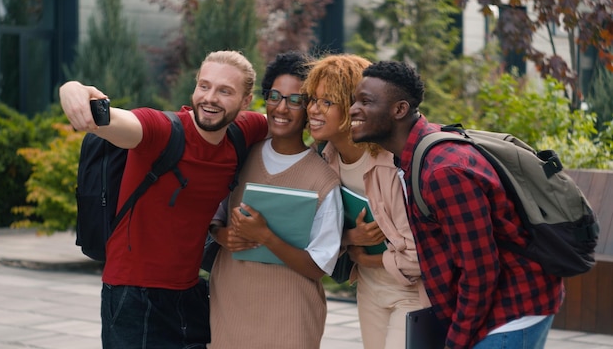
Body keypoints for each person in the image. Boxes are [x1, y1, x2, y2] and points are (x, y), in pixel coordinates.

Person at [59, 50, 268, 348]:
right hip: (133, 296)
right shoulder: (159, 131)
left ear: (245, 101)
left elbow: (287, 120)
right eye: (204, 86)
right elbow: (109, 120)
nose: (210, 98)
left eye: (225, 91)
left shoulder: (243, 132)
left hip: (192, 293)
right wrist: (72, 90)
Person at [349, 60, 565, 349]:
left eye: (365, 102)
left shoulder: (442, 172)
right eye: (354, 101)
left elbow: (480, 271)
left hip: (509, 312)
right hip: (491, 307)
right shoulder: (414, 154)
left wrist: (455, 342)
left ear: (400, 109)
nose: (353, 109)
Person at [206, 51, 343, 348]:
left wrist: (266, 236)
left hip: (291, 314)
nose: (282, 108)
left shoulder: (324, 180)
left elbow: (318, 267)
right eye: (275, 96)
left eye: (295, 100)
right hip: (230, 302)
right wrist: (222, 235)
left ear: (309, 107)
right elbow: (212, 213)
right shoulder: (240, 155)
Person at [302, 53, 429, 348]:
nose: (313, 109)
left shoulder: (390, 162)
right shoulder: (326, 157)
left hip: (411, 292)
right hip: (370, 288)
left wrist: (363, 257)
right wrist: (350, 238)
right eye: (312, 99)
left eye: (326, 102)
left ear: (353, 107)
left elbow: (418, 257)